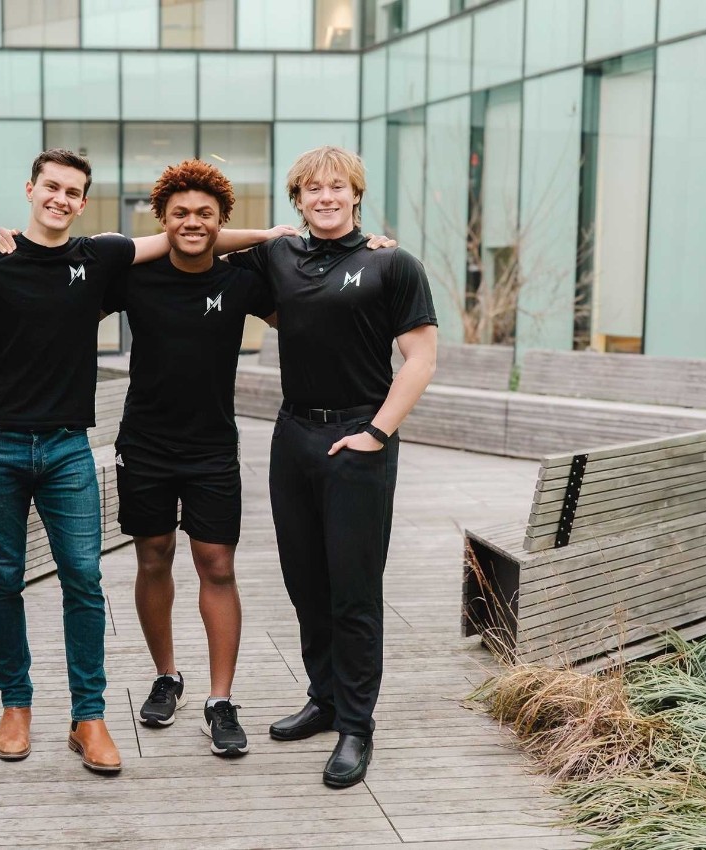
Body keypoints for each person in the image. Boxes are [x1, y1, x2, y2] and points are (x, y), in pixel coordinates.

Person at [0, 149, 293, 774]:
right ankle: (16, 706)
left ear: (83, 202)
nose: (59, 198)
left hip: (67, 450)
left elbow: (183, 235)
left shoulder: (100, 256)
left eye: (72, 191)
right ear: (31, 190)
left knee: (83, 580)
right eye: (49, 187)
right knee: (2, 581)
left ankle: (89, 716)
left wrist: (270, 234)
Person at [104, 160, 392, 759]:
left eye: (205, 214)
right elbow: (64, 283)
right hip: (145, 444)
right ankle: (166, 676)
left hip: (213, 447)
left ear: (221, 221)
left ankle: (219, 700)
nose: (192, 222)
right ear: (162, 219)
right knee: (153, 557)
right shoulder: (134, 275)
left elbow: (312, 306)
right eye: (180, 213)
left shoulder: (242, 281)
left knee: (217, 565)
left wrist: (376, 260)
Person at [228, 146, 438, 788]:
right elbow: (204, 243)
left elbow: (422, 359)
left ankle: (356, 724)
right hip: (293, 435)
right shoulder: (280, 256)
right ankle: (323, 698)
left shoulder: (390, 262)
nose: (326, 197)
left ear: (356, 194)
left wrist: (376, 432)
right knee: (304, 582)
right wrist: (266, 233)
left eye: (337, 187)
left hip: (357, 437)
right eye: (313, 188)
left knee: (353, 590)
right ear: (297, 198)